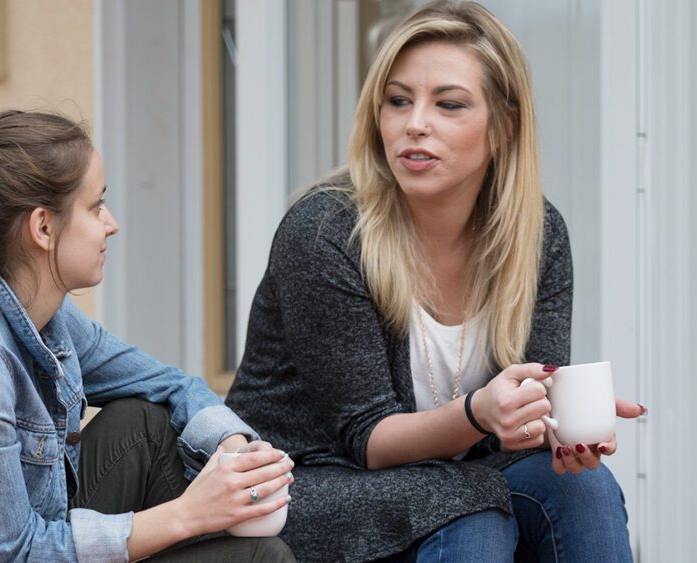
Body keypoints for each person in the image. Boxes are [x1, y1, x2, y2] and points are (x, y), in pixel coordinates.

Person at [225, 2, 645, 561]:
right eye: (398, 101)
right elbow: (366, 438)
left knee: (582, 486)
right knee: (470, 514)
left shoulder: (538, 235)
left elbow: (519, 413)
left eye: (448, 104)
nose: (414, 123)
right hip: (305, 481)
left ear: (504, 126)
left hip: (455, 479)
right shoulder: (326, 230)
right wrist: (479, 412)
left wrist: (558, 425)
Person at [0, 110, 295, 562]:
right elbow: (18, 553)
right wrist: (190, 512)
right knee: (260, 559)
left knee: (143, 423)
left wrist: (232, 451)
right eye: (96, 207)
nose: (112, 224)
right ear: (43, 227)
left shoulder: (44, 313)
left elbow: (171, 385)